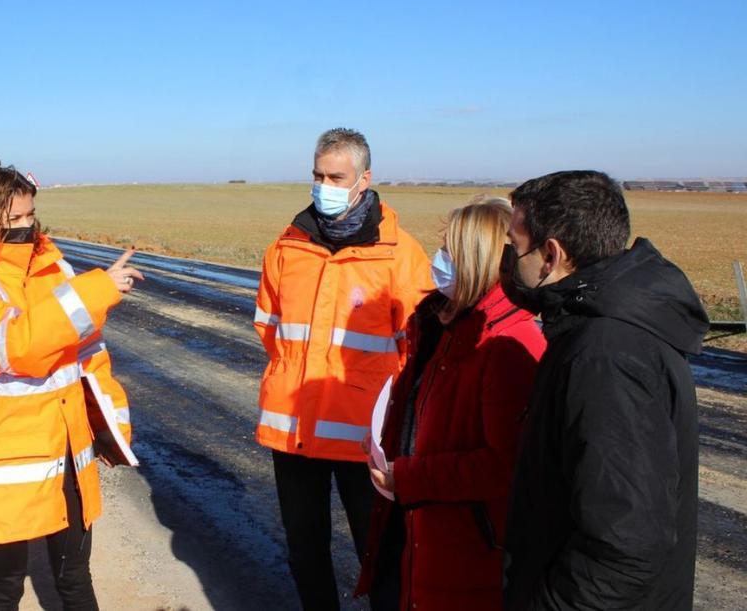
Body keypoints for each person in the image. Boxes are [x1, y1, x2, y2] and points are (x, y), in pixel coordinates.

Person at [502, 170, 707, 610]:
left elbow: (626, 542)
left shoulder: (605, 353)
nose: (509, 260)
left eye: (515, 246)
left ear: (551, 254)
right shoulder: (605, 327)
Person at [0, 167, 138, 611]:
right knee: (6, 588)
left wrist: (109, 423)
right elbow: (19, 347)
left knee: (74, 579)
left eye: (31, 215)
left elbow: (88, 354)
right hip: (8, 464)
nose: (27, 227)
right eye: (14, 220)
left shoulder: (53, 268)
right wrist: (95, 290)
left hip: (66, 452)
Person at [253, 128, 433, 609]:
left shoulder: (400, 256)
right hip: (294, 428)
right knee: (305, 550)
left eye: (336, 176)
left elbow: (417, 349)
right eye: (318, 175)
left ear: (364, 179)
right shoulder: (286, 248)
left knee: (379, 553)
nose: (324, 185)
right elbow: (269, 327)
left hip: (365, 438)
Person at [353, 197, 545, 610]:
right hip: (430, 537)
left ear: (477, 257)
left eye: (448, 248)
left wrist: (408, 477)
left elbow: (505, 466)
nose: (438, 258)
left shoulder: (506, 343)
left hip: (469, 553)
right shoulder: (448, 327)